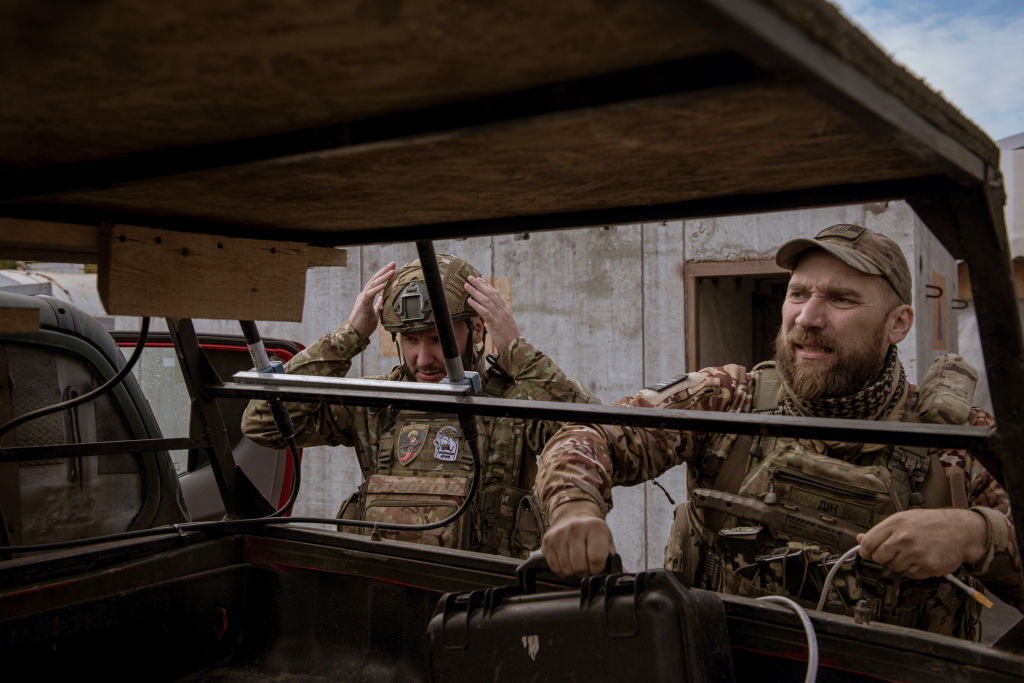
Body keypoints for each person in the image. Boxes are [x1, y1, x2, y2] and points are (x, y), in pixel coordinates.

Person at [536, 224, 1023, 639]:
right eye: (798, 294)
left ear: (898, 324)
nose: (808, 318)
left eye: (841, 299)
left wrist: (976, 534)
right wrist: (574, 506)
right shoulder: (730, 399)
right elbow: (592, 433)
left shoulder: (958, 443)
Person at [242, 253, 599, 557]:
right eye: (411, 340)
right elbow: (262, 424)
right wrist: (349, 336)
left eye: (437, 339)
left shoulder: (512, 405)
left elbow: (598, 434)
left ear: (476, 331)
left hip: (480, 596)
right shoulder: (375, 403)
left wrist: (516, 350)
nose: (424, 358)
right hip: (386, 585)